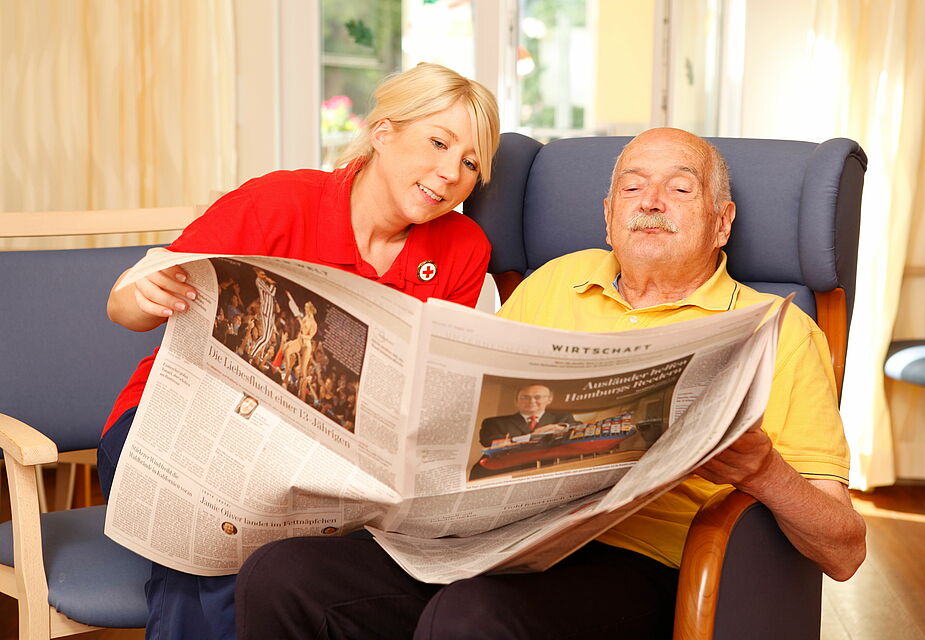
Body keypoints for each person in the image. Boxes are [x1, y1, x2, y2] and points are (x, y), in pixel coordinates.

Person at [234, 127, 867, 640]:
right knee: (281, 574)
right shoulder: (555, 281)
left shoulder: (776, 331)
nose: (650, 202)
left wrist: (761, 472)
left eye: (679, 189)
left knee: (472, 617)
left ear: (722, 222)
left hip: (639, 563)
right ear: (608, 215)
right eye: (631, 188)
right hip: (491, 538)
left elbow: (845, 551)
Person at [97, 62, 500, 640]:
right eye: (438, 143)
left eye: (469, 164)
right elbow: (127, 305)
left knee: (290, 562)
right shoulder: (278, 202)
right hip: (172, 427)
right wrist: (144, 292)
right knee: (219, 531)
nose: (449, 174)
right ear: (383, 132)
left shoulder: (463, 248)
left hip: (323, 461)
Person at [477, 383, 577, 446]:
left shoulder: (563, 418)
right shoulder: (494, 422)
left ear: (549, 400)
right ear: (516, 401)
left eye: (538, 397)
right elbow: (489, 442)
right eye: (525, 397)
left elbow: (579, 427)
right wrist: (531, 436)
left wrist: (562, 428)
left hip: (549, 464)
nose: (531, 401)